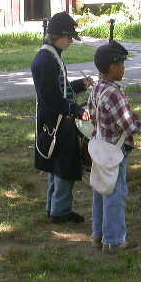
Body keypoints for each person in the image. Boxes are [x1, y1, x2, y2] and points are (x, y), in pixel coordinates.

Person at [31, 12, 93, 223]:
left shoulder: (51, 55)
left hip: (57, 118)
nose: (71, 42)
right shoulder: (45, 60)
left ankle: (54, 208)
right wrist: (76, 111)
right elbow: (50, 98)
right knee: (64, 167)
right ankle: (60, 212)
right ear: (61, 36)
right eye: (70, 38)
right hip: (55, 121)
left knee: (57, 166)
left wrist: (80, 85)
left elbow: (61, 89)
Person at [89, 41, 141, 253]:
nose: (124, 68)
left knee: (100, 189)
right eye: (122, 64)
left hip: (99, 146)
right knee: (115, 193)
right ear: (113, 67)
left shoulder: (97, 88)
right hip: (115, 150)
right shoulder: (115, 93)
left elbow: (93, 114)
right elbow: (129, 126)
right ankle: (114, 240)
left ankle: (98, 235)